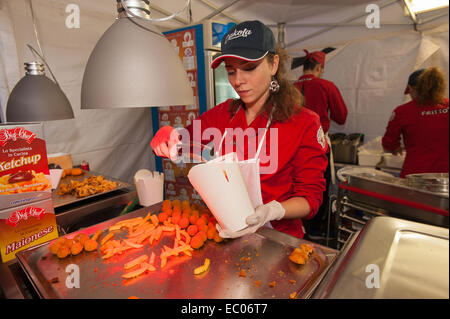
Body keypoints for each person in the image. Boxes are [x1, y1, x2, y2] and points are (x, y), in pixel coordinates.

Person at [151, 20, 328, 239]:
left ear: (273, 65)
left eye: (249, 68)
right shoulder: (223, 114)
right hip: (228, 233)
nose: (238, 81)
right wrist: (167, 135)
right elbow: (183, 141)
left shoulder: (304, 122)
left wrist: (273, 210)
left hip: (279, 239)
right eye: (231, 71)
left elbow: (310, 199)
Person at [293, 50, 348, 239]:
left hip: (289, 145)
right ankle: (315, 231)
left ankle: (298, 226)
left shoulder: (291, 87)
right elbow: (341, 117)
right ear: (319, 68)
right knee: (317, 188)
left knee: (292, 186)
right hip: (316, 144)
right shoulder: (326, 85)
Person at [382, 67, 449, 178]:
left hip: (416, 175)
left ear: (411, 88)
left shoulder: (402, 111)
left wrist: (396, 148)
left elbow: (388, 143)